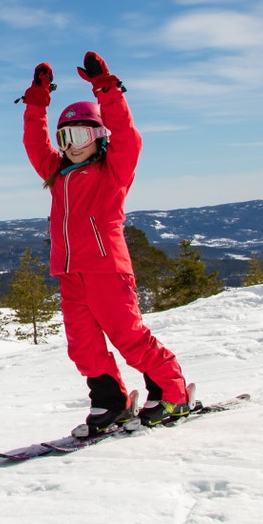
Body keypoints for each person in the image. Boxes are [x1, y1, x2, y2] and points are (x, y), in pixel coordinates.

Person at [19, 52, 191, 435]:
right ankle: (109, 401)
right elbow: (34, 142)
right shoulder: (57, 172)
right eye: (65, 137)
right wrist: (37, 101)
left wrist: (106, 89)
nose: (71, 145)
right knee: (82, 346)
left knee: (128, 336)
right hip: (69, 273)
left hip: (106, 269)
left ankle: (170, 391)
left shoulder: (113, 170)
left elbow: (128, 135)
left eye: (80, 135)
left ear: (98, 136)